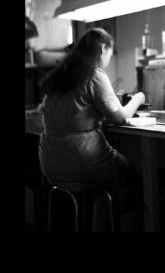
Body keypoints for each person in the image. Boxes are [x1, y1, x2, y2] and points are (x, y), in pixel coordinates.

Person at [39, 28, 145, 231]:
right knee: (132, 181)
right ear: (103, 48)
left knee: (100, 192)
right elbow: (120, 117)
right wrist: (138, 99)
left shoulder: (61, 75)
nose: (108, 60)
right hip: (81, 159)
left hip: (50, 162)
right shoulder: (94, 74)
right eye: (109, 54)